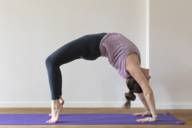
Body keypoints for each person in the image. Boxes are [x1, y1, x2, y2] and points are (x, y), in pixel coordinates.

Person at [45, 32, 157, 123]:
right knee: (53, 62)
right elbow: (142, 91)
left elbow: (147, 92)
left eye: (146, 79)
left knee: (51, 61)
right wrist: (148, 110)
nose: (149, 78)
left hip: (91, 44)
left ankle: (55, 102)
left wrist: (154, 117)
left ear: (137, 78)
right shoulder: (136, 64)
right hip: (94, 45)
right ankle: (57, 98)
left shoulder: (132, 66)